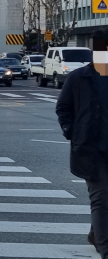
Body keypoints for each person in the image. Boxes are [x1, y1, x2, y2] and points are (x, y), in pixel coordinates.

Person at [56, 29, 108, 258]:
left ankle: (96, 233)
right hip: (91, 149)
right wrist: (73, 133)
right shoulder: (79, 78)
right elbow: (64, 108)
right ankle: (106, 249)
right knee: (101, 199)